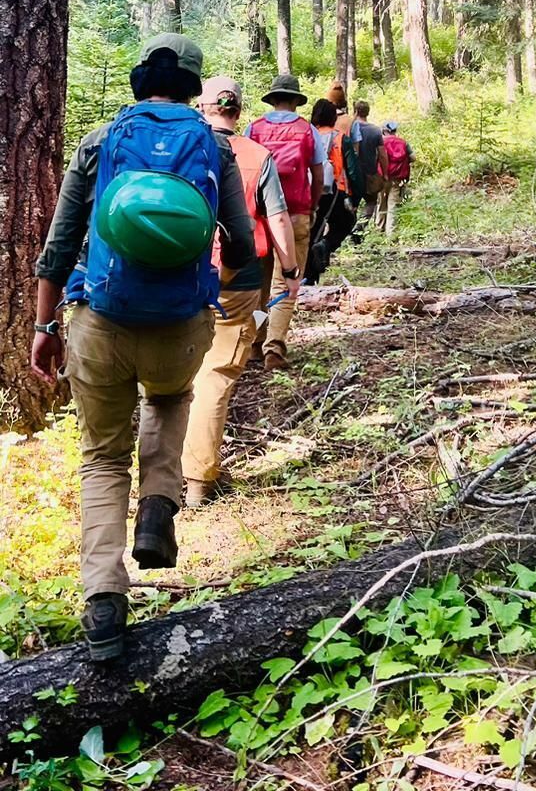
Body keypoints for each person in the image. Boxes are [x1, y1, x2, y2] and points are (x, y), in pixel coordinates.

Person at [31, 35, 255, 663]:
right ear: (192, 85)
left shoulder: (100, 143)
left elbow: (59, 246)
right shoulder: (214, 146)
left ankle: (103, 601)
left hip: (100, 320)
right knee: (171, 396)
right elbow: (240, 246)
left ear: (140, 79)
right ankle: (158, 505)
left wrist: (45, 328)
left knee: (102, 458)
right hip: (181, 324)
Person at [181, 77, 299, 506]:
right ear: (238, 110)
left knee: (171, 370)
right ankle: (196, 479)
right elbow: (279, 218)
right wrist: (290, 268)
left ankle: (158, 479)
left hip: (177, 274)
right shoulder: (255, 154)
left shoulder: (180, 145)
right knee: (215, 374)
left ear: (203, 106)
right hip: (235, 276)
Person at [247, 73, 325, 368]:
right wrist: (312, 205)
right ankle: (274, 349)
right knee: (286, 284)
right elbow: (318, 175)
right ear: (295, 101)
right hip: (295, 215)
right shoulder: (307, 130)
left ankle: (255, 342)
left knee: (260, 285)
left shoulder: (254, 128)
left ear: (273, 99)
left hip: (260, 217)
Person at [309, 98, 357, 273]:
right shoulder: (340, 138)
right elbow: (352, 170)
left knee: (312, 230)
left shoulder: (307, 134)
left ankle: (308, 274)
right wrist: (356, 196)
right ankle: (326, 245)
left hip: (308, 189)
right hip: (336, 190)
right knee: (346, 222)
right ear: (332, 118)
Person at [349, 100, 389, 238]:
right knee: (371, 202)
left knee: (352, 202)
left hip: (352, 173)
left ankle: (348, 228)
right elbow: (382, 154)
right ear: (368, 112)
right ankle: (359, 228)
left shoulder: (349, 127)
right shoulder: (375, 130)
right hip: (370, 173)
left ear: (355, 111)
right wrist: (385, 174)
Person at [376, 122, 415, 239]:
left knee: (381, 204)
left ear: (384, 130)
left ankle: (379, 232)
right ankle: (391, 234)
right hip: (397, 179)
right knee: (393, 205)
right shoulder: (403, 143)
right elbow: (413, 158)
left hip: (382, 178)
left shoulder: (381, 142)